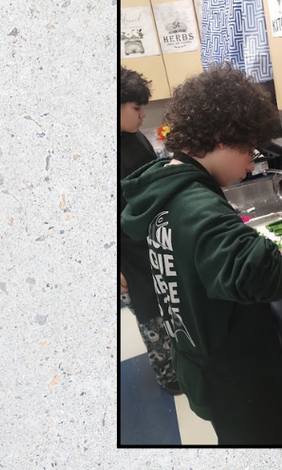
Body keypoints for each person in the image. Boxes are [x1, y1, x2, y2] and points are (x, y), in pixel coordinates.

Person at [120, 64, 282, 445]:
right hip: (235, 374)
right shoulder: (195, 202)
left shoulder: (164, 188)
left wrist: (276, 258)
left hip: (199, 356)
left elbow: (206, 261)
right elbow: (259, 275)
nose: (251, 165)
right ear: (222, 137)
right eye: (248, 151)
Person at [119, 66, 180, 394]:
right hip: (127, 256)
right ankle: (169, 379)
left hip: (151, 245)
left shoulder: (135, 137)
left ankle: (182, 368)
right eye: (136, 108)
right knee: (150, 318)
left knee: (168, 309)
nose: (143, 114)